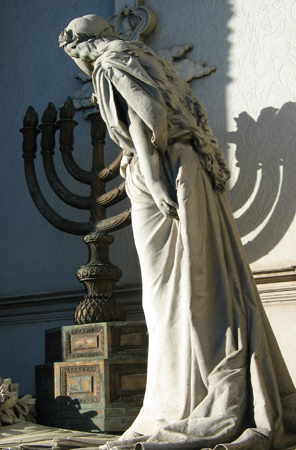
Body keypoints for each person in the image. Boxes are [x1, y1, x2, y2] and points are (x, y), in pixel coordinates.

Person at [59, 14, 296, 450]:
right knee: (203, 279)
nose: (75, 61)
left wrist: (153, 185)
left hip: (162, 173)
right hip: (192, 168)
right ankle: (197, 389)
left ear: (83, 45)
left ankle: (181, 401)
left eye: (72, 51)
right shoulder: (148, 60)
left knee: (169, 295)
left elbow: (144, 130)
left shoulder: (111, 66)